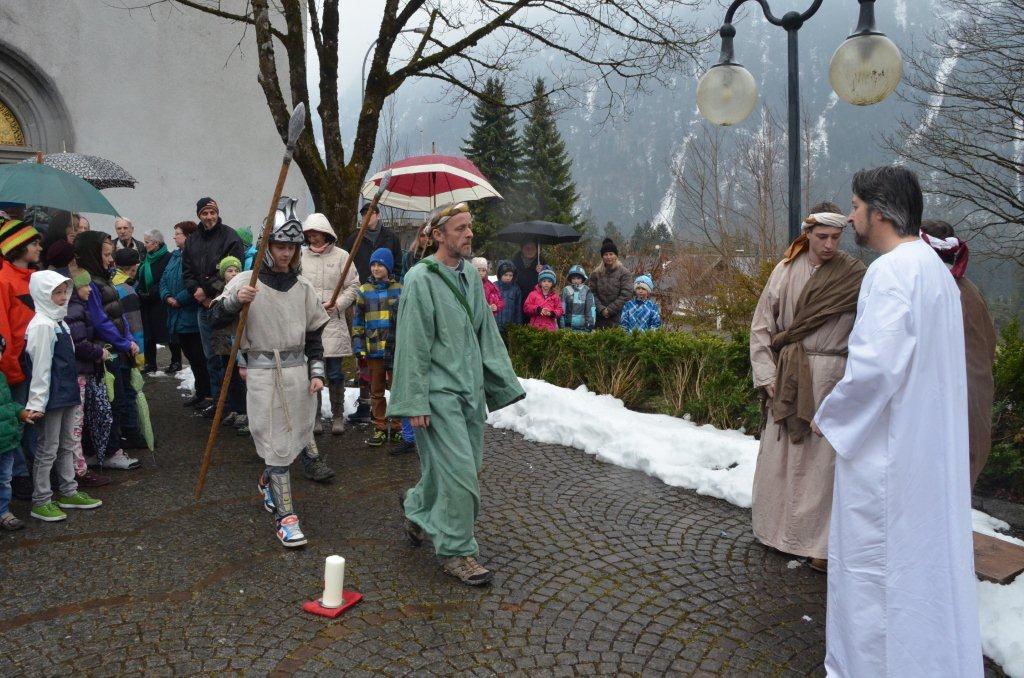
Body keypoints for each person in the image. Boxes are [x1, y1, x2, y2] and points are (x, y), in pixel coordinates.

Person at [813, 166, 983, 677]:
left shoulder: (890, 273)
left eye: (856, 208)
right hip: (926, 448)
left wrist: (832, 416)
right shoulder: (935, 271)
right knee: (922, 569)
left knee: (875, 575)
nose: (851, 218)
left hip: (888, 454)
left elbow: (875, 368)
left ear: (880, 213)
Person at [389, 202, 524, 585]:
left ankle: (417, 507)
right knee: (462, 474)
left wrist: (500, 383)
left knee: (459, 467)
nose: (469, 234)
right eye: (461, 228)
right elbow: (412, 343)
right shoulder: (420, 279)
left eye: (470, 227)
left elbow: (486, 334)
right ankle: (457, 551)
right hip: (438, 395)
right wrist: (415, 400)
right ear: (438, 235)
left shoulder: (470, 277)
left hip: (470, 392)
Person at [748, 206, 865, 572]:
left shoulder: (854, 275)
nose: (829, 245)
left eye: (836, 238)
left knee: (821, 463)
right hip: (788, 374)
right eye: (822, 237)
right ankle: (774, 532)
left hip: (832, 376)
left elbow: (866, 333)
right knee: (782, 456)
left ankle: (819, 544)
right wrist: (767, 375)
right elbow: (762, 326)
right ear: (808, 234)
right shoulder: (785, 271)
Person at [211, 203, 329, 548]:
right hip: (262, 373)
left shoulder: (304, 287)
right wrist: (234, 302)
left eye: (291, 247)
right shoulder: (245, 283)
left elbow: (314, 336)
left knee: (292, 441)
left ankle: (268, 482)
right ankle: (286, 517)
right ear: (266, 247)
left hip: (297, 373)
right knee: (275, 444)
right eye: (279, 246)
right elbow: (213, 319)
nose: (286, 253)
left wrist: (317, 371)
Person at [920, 220, 997, 490]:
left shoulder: (930, 289)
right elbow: (989, 346)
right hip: (974, 403)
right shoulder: (971, 291)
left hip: (943, 405)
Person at [25, 271, 103, 522]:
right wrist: (37, 402)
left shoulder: (60, 322)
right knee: (48, 447)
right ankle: (41, 499)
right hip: (52, 397)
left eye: (63, 292)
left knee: (68, 443)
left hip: (67, 392)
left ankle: (69, 491)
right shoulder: (42, 325)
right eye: (56, 293)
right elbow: (40, 367)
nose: (62, 297)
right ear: (42, 295)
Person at [74, 231, 142, 470]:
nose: (111, 259)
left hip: (118, 346)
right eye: (105, 255)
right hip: (107, 350)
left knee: (117, 400)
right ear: (93, 255)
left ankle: (106, 449)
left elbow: (118, 314)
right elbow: (101, 321)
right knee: (112, 402)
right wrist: (124, 343)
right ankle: (110, 451)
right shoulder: (90, 283)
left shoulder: (104, 278)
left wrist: (129, 337)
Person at [343, 203, 403, 425]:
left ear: (377, 215)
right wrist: (358, 344)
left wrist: (394, 279)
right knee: (371, 379)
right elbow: (347, 261)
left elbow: (398, 261)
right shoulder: (355, 238)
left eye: (369, 214)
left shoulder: (390, 237)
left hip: (393, 342)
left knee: (396, 386)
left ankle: (397, 424)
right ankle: (372, 415)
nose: (366, 218)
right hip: (371, 332)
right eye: (363, 215)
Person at [181, 197, 245, 408]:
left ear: (217, 213)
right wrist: (196, 291)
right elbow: (187, 271)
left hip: (225, 306)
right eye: (204, 213)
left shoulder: (230, 237)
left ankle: (234, 406)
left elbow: (233, 272)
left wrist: (209, 292)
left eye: (212, 212)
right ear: (199, 215)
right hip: (202, 306)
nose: (209, 217)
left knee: (228, 358)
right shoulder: (192, 240)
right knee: (211, 357)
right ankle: (218, 403)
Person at [301, 212, 358, 436]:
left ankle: (337, 416)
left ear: (325, 233)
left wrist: (338, 304)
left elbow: (353, 285)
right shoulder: (300, 256)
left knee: (335, 373)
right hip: (309, 321)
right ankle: (313, 417)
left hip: (333, 322)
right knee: (312, 372)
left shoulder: (342, 256)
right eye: (309, 234)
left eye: (316, 233)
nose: (312, 237)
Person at [0, 217, 43, 500]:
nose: (39, 248)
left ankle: (35, 470)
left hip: (37, 361)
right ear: (19, 246)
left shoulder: (35, 278)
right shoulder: (4, 281)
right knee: (17, 424)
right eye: (34, 243)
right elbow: (4, 330)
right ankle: (19, 476)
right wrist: (11, 369)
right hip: (18, 365)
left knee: (35, 419)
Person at [65, 270, 112, 488]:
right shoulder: (74, 309)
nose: (90, 289)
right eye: (85, 285)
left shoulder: (76, 307)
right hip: (77, 373)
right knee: (75, 424)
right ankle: (79, 471)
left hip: (79, 371)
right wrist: (98, 351)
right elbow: (79, 344)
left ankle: (76, 468)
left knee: (76, 423)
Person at [352, 247, 403, 448]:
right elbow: (358, 321)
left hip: (395, 349)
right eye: (373, 265)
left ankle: (397, 426)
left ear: (388, 267)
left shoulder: (399, 289)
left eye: (380, 265)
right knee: (376, 390)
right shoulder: (364, 290)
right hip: (373, 350)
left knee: (397, 390)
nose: (375, 268)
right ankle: (380, 426)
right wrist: (359, 346)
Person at [161, 221, 210, 408]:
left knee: (199, 357)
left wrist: (179, 300)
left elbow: (197, 282)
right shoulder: (175, 256)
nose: (174, 237)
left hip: (191, 314)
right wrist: (167, 296)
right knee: (190, 356)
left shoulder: (197, 256)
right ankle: (200, 392)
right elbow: (164, 279)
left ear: (189, 236)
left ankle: (208, 395)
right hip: (176, 315)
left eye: (178, 233)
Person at [0, 335, 32, 530]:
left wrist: (21, 412)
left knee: (5, 479)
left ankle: (3, 511)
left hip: (7, 442)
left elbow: (8, 404)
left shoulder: (2, 377)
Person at [137, 229, 173, 374]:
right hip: (146, 301)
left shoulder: (168, 257)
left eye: (147, 242)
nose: (144, 245)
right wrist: (140, 291)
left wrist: (152, 292)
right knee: (148, 334)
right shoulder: (147, 257)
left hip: (161, 301)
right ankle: (150, 363)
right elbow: (140, 275)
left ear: (156, 243)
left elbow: (166, 279)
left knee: (167, 333)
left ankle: (176, 361)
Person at [590, 238, 633, 328]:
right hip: (598, 318)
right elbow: (592, 293)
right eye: (606, 254)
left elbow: (626, 295)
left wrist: (610, 310)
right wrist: (601, 309)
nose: (608, 257)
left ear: (616, 255)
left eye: (611, 254)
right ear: (602, 256)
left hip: (619, 318)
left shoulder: (624, 273)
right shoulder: (596, 273)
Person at [523, 267, 563, 331]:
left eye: (549, 281)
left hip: (550, 329)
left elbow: (560, 310)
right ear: (540, 282)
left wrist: (551, 313)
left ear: (553, 283)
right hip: (535, 328)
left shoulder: (555, 297)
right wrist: (538, 309)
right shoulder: (533, 294)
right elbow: (526, 307)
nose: (546, 283)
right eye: (544, 281)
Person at [559, 264, 596, 332]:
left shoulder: (587, 290)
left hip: (583, 327)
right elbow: (562, 308)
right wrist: (562, 325)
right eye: (573, 278)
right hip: (568, 327)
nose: (576, 281)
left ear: (582, 278)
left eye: (578, 278)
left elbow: (590, 308)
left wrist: (590, 324)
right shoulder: (566, 290)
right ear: (570, 279)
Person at [510, 241, 548, 307]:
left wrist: (543, 271)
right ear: (522, 249)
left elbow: (550, 279)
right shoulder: (515, 260)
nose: (529, 250)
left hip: (535, 299)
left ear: (537, 250)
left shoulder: (541, 261)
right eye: (527, 247)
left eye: (532, 248)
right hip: (517, 296)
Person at [494, 261, 522, 332]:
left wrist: (518, 325)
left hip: (510, 326)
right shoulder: (494, 287)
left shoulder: (516, 289)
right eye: (505, 275)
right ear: (500, 275)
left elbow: (518, 309)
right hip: (495, 325)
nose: (508, 278)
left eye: (510, 275)